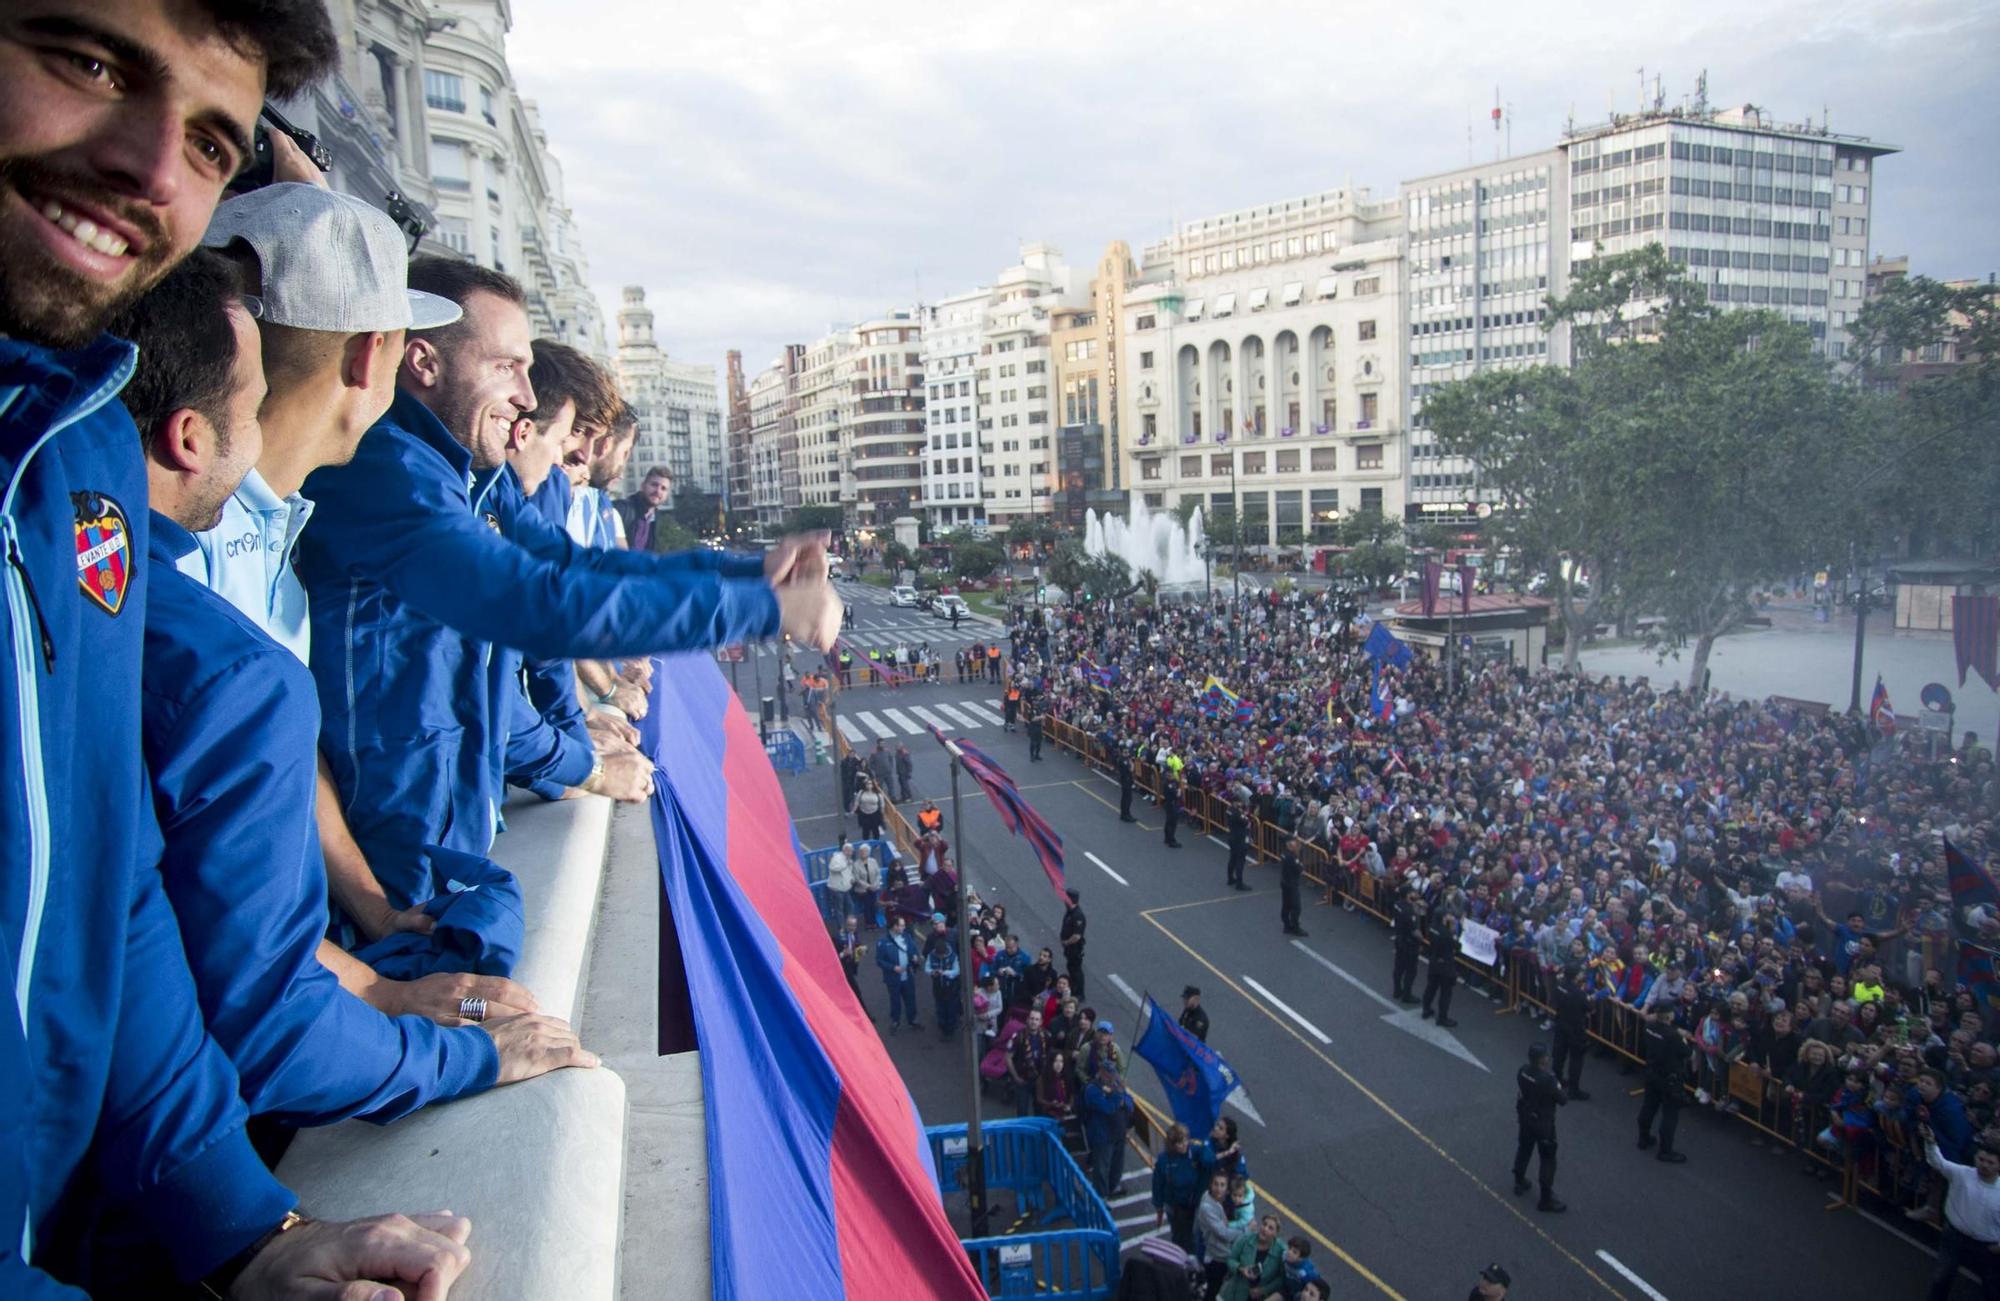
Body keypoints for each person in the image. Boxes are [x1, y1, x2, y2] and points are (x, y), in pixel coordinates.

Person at [0, 1, 478, 1293]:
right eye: (88, 62)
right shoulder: (226, 636)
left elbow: (116, 874)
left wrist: (246, 1232)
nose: (157, 172)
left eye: (212, 141)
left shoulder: (76, 449)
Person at [295, 256, 843, 905]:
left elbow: (578, 566)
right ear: (423, 361)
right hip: (390, 861)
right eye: (507, 366)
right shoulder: (389, 474)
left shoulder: (472, 479)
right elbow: (535, 603)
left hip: (444, 834)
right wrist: (762, 609)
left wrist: (754, 571)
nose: (527, 396)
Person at [1921, 1128, 2000, 1301]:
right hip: (1954, 1237)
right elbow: (1937, 1162)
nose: (1984, 1165)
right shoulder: (1962, 1174)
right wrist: (1930, 1142)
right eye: (1981, 1159)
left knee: (1992, 1288)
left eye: (1990, 1162)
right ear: (1975, 1159)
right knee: (1941, 1277)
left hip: (1987, 1247)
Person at [1511, 1043, 1567, 1212]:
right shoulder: (1548, 1079)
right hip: (1543, 1123)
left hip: (1526, 1117)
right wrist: (1558, 1086)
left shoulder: (1523, 1071)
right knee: (1548, 1159)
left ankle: (1519, 1180)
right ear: (1542, 1060)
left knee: (1524, 1148)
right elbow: (1563, 1099)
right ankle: (1546, 1198)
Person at [1637, 1002, 1690, 1163]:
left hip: (1652, 1073)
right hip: (1669, 1079)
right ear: (1669, 1015)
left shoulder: (1649, 1027)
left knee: (1648, 1107)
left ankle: (1643, 1138)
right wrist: (1683, 1037)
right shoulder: (1673, 1035)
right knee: (1670, 1115)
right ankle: (1665, 1151)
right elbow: (1687, 1052)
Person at [1152, 1122, 1212, 1252]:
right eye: (1179, 1143)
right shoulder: (1164, 1160)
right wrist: (1159, 1208)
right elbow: (1157, 1184)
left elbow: (1209, 1161)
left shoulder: (1195, 1152)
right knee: (1178, 1235)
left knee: (1192, 1236)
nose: (1184, 1145)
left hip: (1192, 1204)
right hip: (1174, 1205)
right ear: (1172, 1145)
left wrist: (1205, 1145)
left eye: (1185, 1140)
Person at [1081, 1063, 1134, 1195]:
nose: (1110, 1076)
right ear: (1100, 1072)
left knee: (1117, 1164)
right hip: (1103, 1134)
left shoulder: (1117, 1084)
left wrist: (1122, 1099)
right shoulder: (1093, 1089)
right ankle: (1101, 1195)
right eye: (1107, 1073)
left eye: (1112, 1072)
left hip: (1119, 1132)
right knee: (1101, 1167)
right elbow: (1108, 1109)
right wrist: (1118, 1096)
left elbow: (1130, 1103)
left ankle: (1113, 1186)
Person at [1194, 1171, 1244, 1299]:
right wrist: (1245, 1231)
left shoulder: (1216, 1200)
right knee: (1214, 1289)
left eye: (1222, 1185)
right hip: (1217, 1255)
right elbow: (1223, 1233)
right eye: (1216, 1184)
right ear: (1210, 1185)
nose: (1219, 1188)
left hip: (1218, 1251)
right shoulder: (1207, 1207)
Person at [1549, 963, 1593, 1102]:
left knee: (1559, 1055)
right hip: (1576, 1029)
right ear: (1576, 976)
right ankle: (1574, 1090)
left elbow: (1554, 1000)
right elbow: (1588, 1008)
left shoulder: (1559, 986)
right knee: (1576, 1059)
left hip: (1561, 1024)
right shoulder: (1579, 993)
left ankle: (1556, 1081)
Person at [1217, 1214, 1283, 1301]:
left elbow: (1281, 1278)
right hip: (1235, 1293)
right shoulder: (1245, 1239)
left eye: (1270, 1228)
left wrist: (1263, 1290)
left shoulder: (1281, 1251)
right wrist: (1241, 1269)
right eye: (1264, 1224)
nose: (1265, 1229)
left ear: (1276, 1234)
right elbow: (1230, 1259)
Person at [874, 915, 920, 1033]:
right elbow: (879, 961)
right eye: (901, 925)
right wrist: (893, 967)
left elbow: (913, 949)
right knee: (895, 999)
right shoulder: (883, 942)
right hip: (893, 977)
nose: (904, 927)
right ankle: (895, 1021)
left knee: (910, 998)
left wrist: (915, 956)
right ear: (894, 926)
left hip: (907, 974)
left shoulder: (907, 937)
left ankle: (912, 1020)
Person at [615, 465, 672, 552]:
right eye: (654, 485)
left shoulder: (655, 517)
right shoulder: (622, 509)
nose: (658, 491)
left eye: (663, 488)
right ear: (643, 486)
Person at [1421, 909, 1461, 1027]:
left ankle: (1426, 1009)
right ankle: (1442, 1018)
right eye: (1448, 915)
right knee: (1445, 992)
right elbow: (1456, 946)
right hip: (1445, 965)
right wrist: (1454, 929)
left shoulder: (1432, 927)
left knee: (1431, 987)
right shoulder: (1446, 933)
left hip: (1434, 961)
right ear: (1444, 917)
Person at [1009, 1008, 1052, 1118]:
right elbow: (1008, 1057)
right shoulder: (1018, 1036)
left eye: (1037, 1019)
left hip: (1039, 1079)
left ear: (1041, 1022)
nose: (1034, 1022)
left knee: (1039, 1110)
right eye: (1032, 1019)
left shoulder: (1046, 1036)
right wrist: (1016, 1077)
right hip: (1023, 1079)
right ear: (1027, 1020)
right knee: (1022, 1111)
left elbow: (1050, 1056)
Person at [925, 917, 961, 1041]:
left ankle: (950, 1029)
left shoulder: (953, 956)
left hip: (951, 986)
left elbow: (956, 971)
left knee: (951, 1007)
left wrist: (944, 973)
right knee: (940, 1007)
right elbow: (927, 968)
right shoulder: (932, 955)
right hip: (938, 986)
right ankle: (943, 1027)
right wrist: (932, 972)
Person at [1391, 885, 1423, 1004]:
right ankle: (1407, 994)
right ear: (1408, 894)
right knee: (1411, 970)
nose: (1415, 893)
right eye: (1413, 892)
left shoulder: (1398, 904)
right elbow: (1415, 931)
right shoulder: (1409, 911)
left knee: (1398, 967)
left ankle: (1397, 989)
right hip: (1409, 944)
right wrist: (1422, 940)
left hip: (1399, 939)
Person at [836, 913, 868, 1015]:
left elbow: (858, 945)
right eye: (850, 925)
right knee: (856, 991)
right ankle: (865, 1014)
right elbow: (832, 955)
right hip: (843, 967)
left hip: (851, 966)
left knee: (850, 991)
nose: (852, 928)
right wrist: (842, 954)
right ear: (846, 925)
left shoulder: (854, 934)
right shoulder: (839, 937)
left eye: (854, 925)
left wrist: (864, 950)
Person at [1061, 888, 1088, 999]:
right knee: (1071, 967)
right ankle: (1074, 988)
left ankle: (1079, 993)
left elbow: (1077, 936)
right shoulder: (1070, 912)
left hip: (1074, 948)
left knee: (1076, 969)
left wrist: (1066, 942)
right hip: (1069, 947)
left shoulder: (1078, 915)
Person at [1279, 837, 1307, 937]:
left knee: (1286, 905)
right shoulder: (1292, 857)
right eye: (1293, 841)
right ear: (1288, 843)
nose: (1295, 843)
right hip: (1292, 884)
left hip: (1284, 882)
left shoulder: (1284, 854)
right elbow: (1299, 868)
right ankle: (1295, 927)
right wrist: (1301, 864)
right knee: (1296, 907)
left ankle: (1286, 925)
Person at [1226, 798, 1251, 890]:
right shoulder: (1237, 813)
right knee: (1240, 861)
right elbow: (1246, 822)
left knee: (1232, 858)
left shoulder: (1229, 810)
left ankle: (1230, 878)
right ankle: (1239, 884)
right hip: (1240, 838)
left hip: (1232, 836)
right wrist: (1245, 816)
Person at [852, 776, 886, 841]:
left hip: (875, 813)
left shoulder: (878, 794)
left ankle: (876, 843)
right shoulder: (861, 792)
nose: (869, 785)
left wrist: (882, 816)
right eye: (867, 784)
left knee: (875, 829)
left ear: (873, 785)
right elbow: (857, 802)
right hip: (864, 813)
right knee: (865, 829)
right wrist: (854, 810)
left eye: (870, 784)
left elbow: (882, 805)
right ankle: (866, 842)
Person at [1164, 773, 1185, 849]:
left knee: (1168, 822)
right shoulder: (1169, 784)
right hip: (1172, 805)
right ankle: (1171, 841)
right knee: (1172, 823)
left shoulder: (1172, 782)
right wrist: (1179, 790)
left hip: (1169, 804)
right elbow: (1177, 794)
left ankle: (1167, 838)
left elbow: (1178, 784)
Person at [1117, 745, 1138, 822]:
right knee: (1127, 799)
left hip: (1127, 780)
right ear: (1122, 752)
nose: (1127, 754)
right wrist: (1132, 764)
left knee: (1126, 798)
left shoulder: (1125, 759)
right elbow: (1131, 769)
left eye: (1128, 752)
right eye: (1125, 752)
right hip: (1125, 781)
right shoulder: (1123, 760)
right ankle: (1126, 815)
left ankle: (1125, 814)